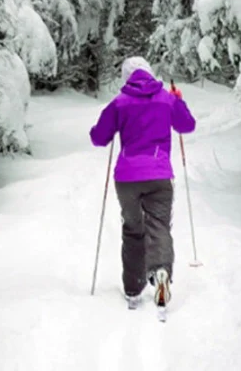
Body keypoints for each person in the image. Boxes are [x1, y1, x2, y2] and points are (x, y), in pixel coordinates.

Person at [89, 57, 196, 309]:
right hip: (159, 175)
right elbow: (187, 125)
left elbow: (98, 138)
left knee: (133, 229)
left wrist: (111, 126)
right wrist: (178, 100)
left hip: (127, 178)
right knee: (159, 225)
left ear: (127, 77)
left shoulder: (119, 102)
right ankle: (160, 272)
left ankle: (133, 287)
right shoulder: (166, 98)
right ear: (149, 73)